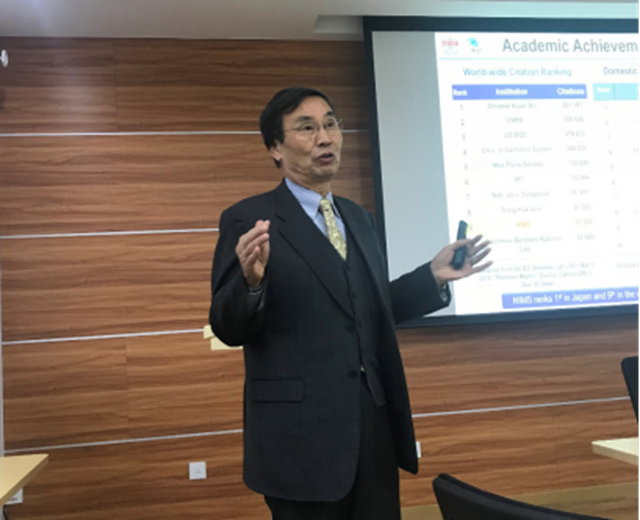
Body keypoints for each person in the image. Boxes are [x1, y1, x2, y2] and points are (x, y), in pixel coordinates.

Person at [209, 87, 491, 520]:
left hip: (372, 428)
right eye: (307, 128)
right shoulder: (250, 219)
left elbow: (366, 310)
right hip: (299, 437)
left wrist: (431, 277)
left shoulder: (359, 219)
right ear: (275, 149)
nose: (325, 138)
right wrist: (250, 283)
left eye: (330, 124)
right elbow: (227, 327)